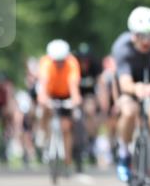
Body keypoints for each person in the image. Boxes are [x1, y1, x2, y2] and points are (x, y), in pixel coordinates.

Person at [111, 6, 150, 186]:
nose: (146, 41)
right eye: (141, 35)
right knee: (129, 111)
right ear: (133, 35)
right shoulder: (122, 47)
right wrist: (137, 88)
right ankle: (124, 153)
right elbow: (124, 83)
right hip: (130, 85)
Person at [37, 39, 82, 172]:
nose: (59, 64)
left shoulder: (72, 63)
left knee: (66, 127)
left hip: (65, 94)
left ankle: (67, 160)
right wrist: (43, 99)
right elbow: (43, 86)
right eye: (56, 61)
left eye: (62, 60)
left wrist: (75, 100)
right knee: (45, 108)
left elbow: (74, 86)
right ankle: (43, 133)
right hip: (50, 93)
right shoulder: (46, 64)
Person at [75, 42, 103, 164]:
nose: (84, 62)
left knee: (90, 110)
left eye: (86, 59)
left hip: (90, 95)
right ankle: (74, 144)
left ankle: (91, 142)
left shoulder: (95, 66)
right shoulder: (74, 66)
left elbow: (101, 85)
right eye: (82, 59)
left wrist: (101, 102)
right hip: (75, 94)